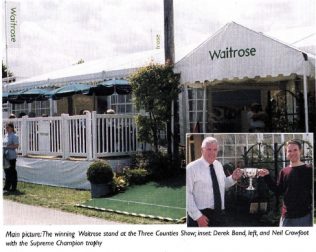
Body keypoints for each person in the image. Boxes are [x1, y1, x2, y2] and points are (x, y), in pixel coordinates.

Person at [186, 136, 242, 227]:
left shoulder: (218, 165)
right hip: (201, 215)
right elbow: (187, 194)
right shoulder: (191, 168)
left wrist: (233, 178)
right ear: (202, 150)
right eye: (209, 149)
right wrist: (198, 217)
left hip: (219, 214)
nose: (212, 152)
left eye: (215, 149)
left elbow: (223, 184)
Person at [258, 140, 313, 227]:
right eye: (289, 151)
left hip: (305, 217)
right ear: (286, 153)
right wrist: (267, 176)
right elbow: (278, 191)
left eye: (295, 150)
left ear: (300, 151)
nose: (292, 153)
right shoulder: (284, 171)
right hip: (287, 217)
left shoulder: (309, 170)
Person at [3, 123, 19, 192]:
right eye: (6, 127)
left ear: (12, 128)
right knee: (7, 172)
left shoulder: (14, 136)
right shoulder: (6, 135)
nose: (6, 128)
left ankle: (13, 187)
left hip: (12, 156)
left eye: (8, 127)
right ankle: (7, 186)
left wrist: (8, 146)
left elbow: (16, 146)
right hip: (6, 156)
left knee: (12, 172)